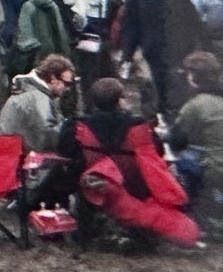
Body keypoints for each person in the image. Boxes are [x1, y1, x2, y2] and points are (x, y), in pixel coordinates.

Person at [57, 77, 199, 249]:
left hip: (95, 188)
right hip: (134, 187)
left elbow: (65, 151)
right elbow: (157, 154)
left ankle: (87, 224)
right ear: (119, 101)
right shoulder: (139, 128)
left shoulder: (77, 127)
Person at [118, 0, 210, 120]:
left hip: (178, 50)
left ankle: (175, 117)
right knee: (155, 86)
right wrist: (127, 54)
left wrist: (200, 46)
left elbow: (193, 21)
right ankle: (159, 117)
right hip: (151, 51)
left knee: (177, 85)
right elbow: (130, 27)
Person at [170, 51, 223, 233]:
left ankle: (194, 209)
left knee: (181, 158)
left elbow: (176, 140)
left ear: (193, 77)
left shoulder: (196, 105)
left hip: (216, 170)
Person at [0, 53, 74, 154]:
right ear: (53, 78)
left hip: (7, 153)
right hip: (15, 157)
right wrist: (70, 128)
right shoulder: (38, 99)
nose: (68, 88)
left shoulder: (30, 92)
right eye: (66, 83)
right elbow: (46, 138)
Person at [9, 0, 73, 78]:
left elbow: (25, 39)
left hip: (35, 59)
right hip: (53, 55)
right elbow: (60, 32)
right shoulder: (51, 3)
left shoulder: (28, 6)